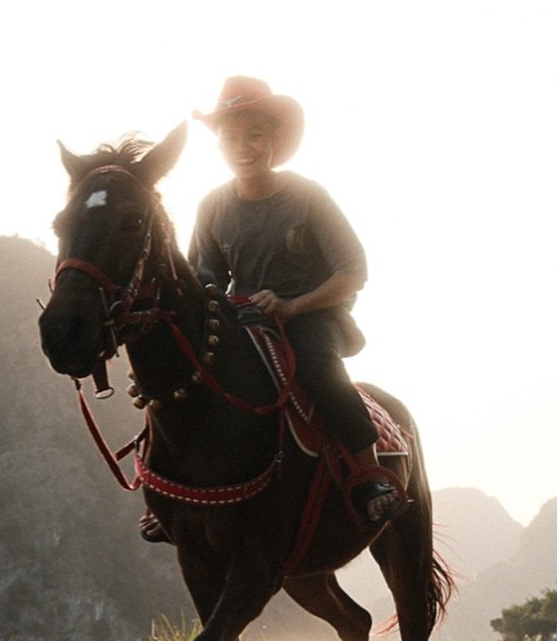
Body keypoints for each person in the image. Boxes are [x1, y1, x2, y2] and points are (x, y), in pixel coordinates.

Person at [142, 74, 406, 540]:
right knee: (180, 380)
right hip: (242, 320)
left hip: (311, 316)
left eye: (254, 135)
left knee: (319, 370)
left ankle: (370, 475)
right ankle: (173, 493)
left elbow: (352, 270)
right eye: (230, 138)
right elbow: (205, 278)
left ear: (273, 140)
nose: (242, 147)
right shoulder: (212, 206)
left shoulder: (307, 197)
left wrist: (292, 305)